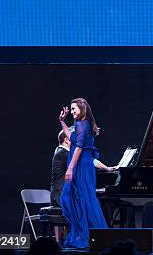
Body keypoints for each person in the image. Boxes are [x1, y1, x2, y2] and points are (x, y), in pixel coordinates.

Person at [58, 98, 108, 248]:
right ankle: (87, 234)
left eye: (74, 109)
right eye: (71, 109)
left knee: (82, 198)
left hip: (80, 165)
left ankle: (88, 235)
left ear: (82, 108)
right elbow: (70, 137)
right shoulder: (82, 124)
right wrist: (62, 121)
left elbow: (79, 148)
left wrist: (70, 168)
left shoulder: (82, 124)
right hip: (82, 164)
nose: (72, 112)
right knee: (80, 198)